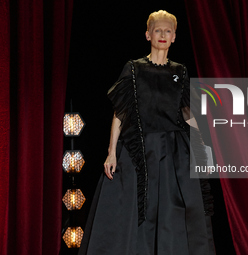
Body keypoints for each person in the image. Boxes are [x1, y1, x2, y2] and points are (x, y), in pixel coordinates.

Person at [78, 10, 215, 255]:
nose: (163, 35)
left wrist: (201, 148)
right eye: (158, 30)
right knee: (134, 215)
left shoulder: (180, 71)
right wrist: (111, 152)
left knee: (173, 215)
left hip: (173, 154)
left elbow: (187, 113)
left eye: (168, 31)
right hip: (138, 152)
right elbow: (120, 113)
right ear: (148, 34)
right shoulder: (134, 69)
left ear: (174, 37)